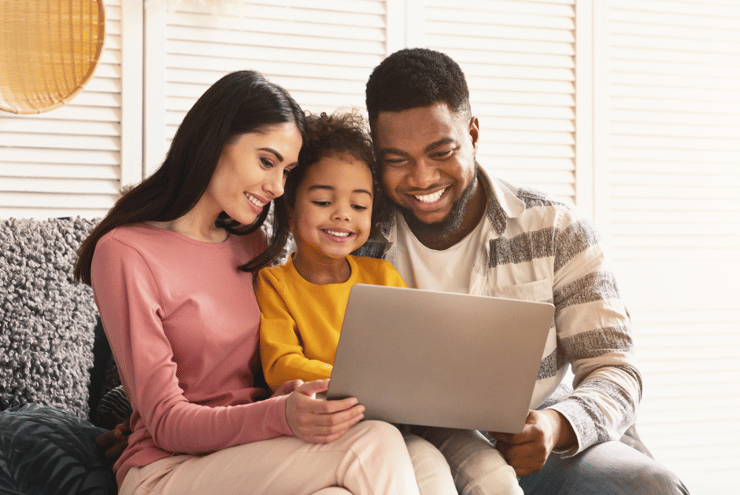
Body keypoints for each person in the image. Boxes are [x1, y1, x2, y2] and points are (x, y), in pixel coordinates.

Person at [358, 47, 690, 495]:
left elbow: (615, 368)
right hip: (405, 448)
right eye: (397, 159)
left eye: (441, 151)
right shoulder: (352, 236)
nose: (422, 178)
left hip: (534, 441)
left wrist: (555, 425)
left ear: (473, 134)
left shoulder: (555, 229)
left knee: (652, 486)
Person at [74, 70, 421, 495]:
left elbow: (253, 377)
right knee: (375, 444)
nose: (277, 187)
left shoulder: (248, 243)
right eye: (266, 161)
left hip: (249, 453)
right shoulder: (125, 252)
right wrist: (280, 416)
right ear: (214, 142)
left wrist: (306, 397)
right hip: (167, 470)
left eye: (287, 171)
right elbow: (165, 421)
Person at [255, 110, 521, 495]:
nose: (343, 214)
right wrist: (360, 381)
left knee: (494, 476)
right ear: (291, 211)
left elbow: (420, 349)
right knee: (430, 476)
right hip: (355, 427)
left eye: (359, 206)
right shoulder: (275, 283)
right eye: (323, 201)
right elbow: (280, 365)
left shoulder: (381, 276)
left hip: (415, 416)